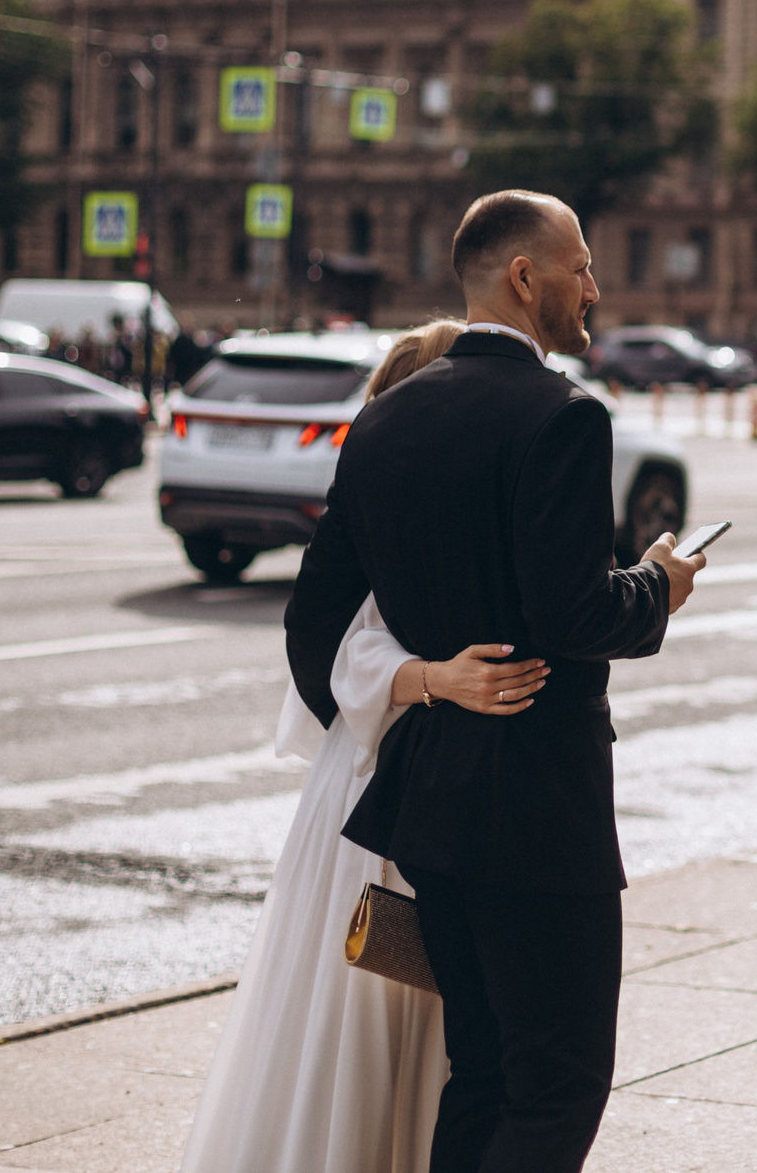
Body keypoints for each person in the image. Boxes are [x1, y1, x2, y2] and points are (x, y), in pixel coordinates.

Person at [285, 190, 705, 1173]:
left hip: (429, 806)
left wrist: (426, 681)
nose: (594, 288)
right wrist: (658, 587)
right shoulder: (562, 416)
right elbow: (576, 620)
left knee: (478, 1069)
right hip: (537, 809)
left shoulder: (381, 423)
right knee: (555, 1085)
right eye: (582, 266)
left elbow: (313, 634)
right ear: (526, 277)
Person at [179, 321, 550, 1172]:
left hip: (415, 788)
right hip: (372, 800)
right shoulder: (393, 497)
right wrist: (433, 677)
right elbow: (335, 642)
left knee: (432, 1025)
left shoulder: (424, 491)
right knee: (367, 1010)